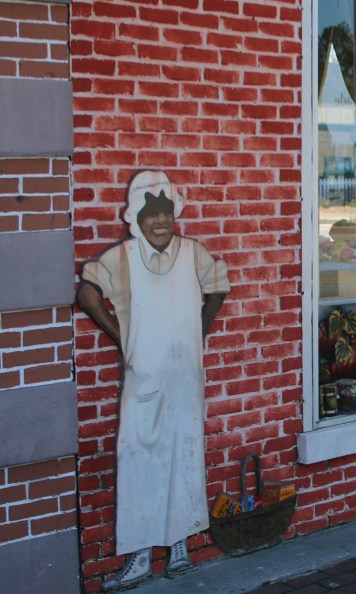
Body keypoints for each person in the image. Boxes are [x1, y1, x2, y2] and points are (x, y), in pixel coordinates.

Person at [78, 171, 230, 590]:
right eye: (150, 213)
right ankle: (141, 557)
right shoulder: (123, 257)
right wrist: (120, 335)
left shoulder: (192, 252)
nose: (160, 220)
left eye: (166, 212)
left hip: (184, 377)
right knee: (139, 462)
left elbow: (218, 286)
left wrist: (200, 329)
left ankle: (179, 549)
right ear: (135, 217)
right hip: (143, 377)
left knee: (184, 457)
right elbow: (88, 292)